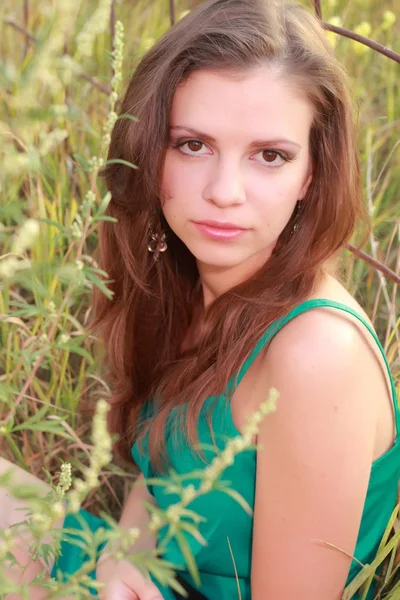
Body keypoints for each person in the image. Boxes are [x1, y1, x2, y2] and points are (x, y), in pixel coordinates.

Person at [1, 0, 399, 598]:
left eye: (270, 156)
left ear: (311, 175)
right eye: (193, 145)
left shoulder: (317, 357)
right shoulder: (189, 280)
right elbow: (158, 473)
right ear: (150, 144)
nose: (224, 192)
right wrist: (122, 561)